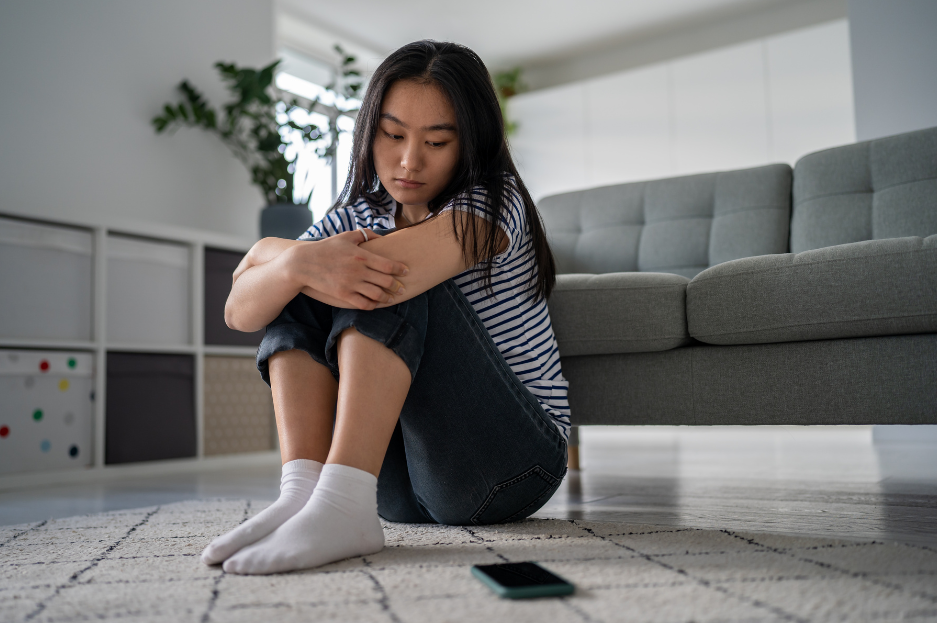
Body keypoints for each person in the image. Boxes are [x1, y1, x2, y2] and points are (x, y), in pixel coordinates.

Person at [201, 40, 571, 575]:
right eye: (392, 135)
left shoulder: (494, 200)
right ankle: (307, 494)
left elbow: (378, 272)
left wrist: (268, 254)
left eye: (437, 142)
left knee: (371, 273)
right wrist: (290, 267)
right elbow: (241, 312)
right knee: (305, 280)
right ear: (369, 128)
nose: (408, 161)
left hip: (510, 465)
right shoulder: (359, 211)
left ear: (470, 144)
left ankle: (340, 498)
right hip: (401, 485)